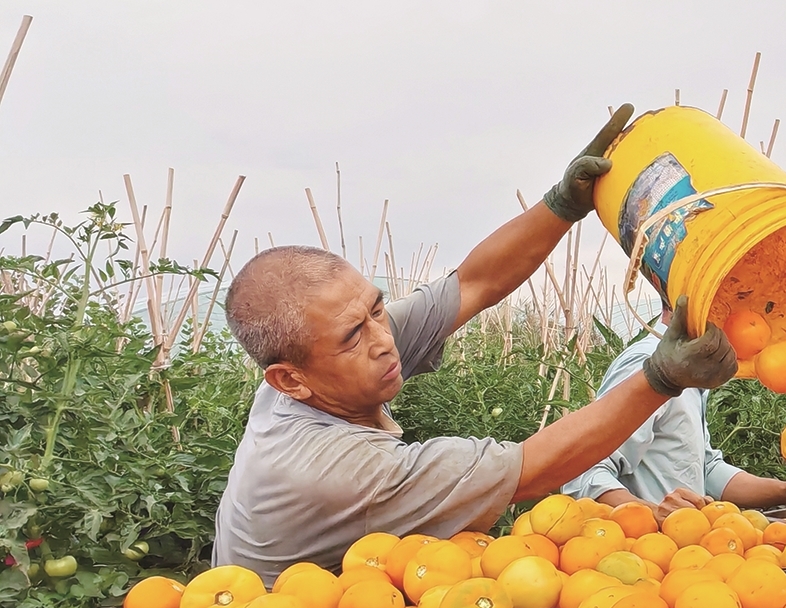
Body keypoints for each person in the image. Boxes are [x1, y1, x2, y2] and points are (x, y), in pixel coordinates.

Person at [213, 106, 739, 581]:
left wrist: (562, 205)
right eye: (354, 336)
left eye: (377, 308)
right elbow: (530, 469)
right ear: (289, 380)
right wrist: (661, 379)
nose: (383, 340)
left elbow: (473, 284)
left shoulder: (321, 356)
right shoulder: (334, 471)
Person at [562, 304, 786, 519]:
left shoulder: (686, 369)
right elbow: (583, 473)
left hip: (686, 556)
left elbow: (705, 469)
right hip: (644, 563)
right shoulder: (646, 368)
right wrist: (652, 513)